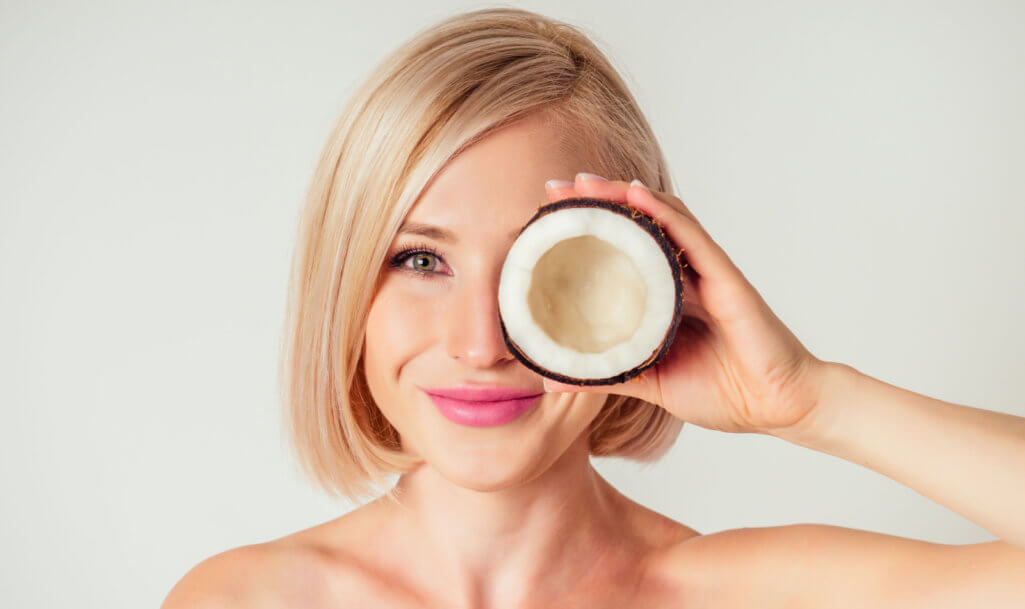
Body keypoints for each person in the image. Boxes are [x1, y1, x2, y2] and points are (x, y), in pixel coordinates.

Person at [161, 7, 1025, 608]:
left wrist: (811, 399)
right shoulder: (237, 599)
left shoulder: (745, 593)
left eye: (545, 265)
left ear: (650, 274)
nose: (479, 343)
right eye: (420, 259)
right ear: (346, 286)